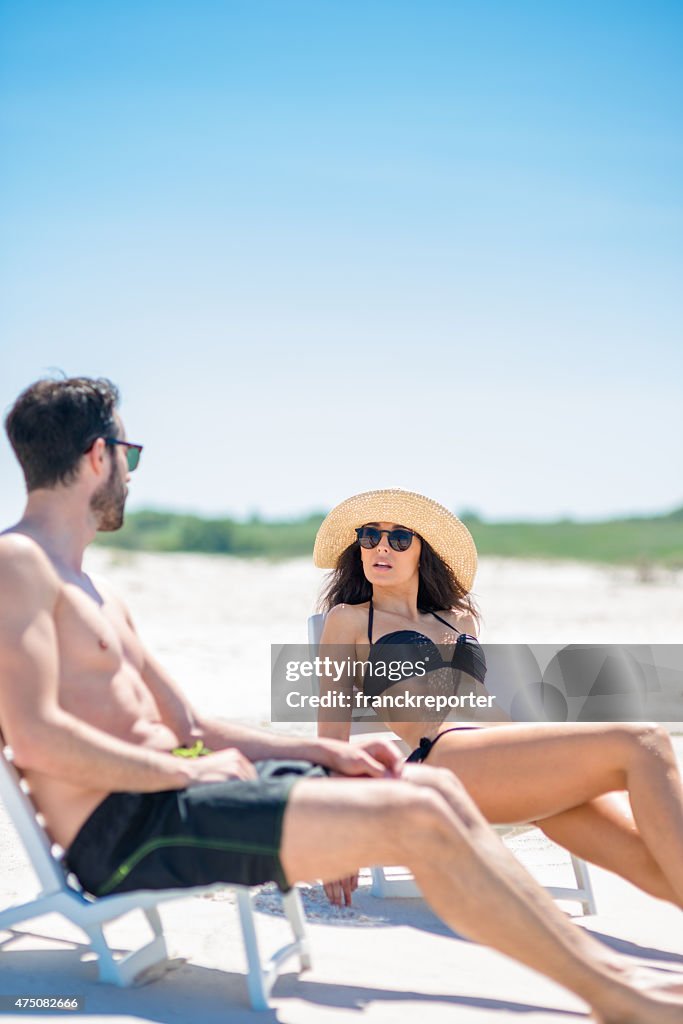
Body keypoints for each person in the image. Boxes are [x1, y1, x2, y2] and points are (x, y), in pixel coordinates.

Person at [1, 379, 682, 1024]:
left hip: (182, 795)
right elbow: (34, 737)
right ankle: (611, 993)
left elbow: (190, 725)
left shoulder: (95, 590)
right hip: (128, 829)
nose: (131, 473)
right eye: (130, 456)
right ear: (99, 456)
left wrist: (323, 754)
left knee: (431, 799)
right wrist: (188, 769)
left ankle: (617, 983)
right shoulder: (18, 565)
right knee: (425, 803)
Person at [315, 489, 683, 915]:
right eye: (369, 536)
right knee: (643, 740)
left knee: (644, 860)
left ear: (422, 552)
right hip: (445, 759)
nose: (381, 546)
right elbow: (332, 726)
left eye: (399, 538)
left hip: (508, 753)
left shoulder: (459, 618)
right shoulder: (349, 620)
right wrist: (333, 828)